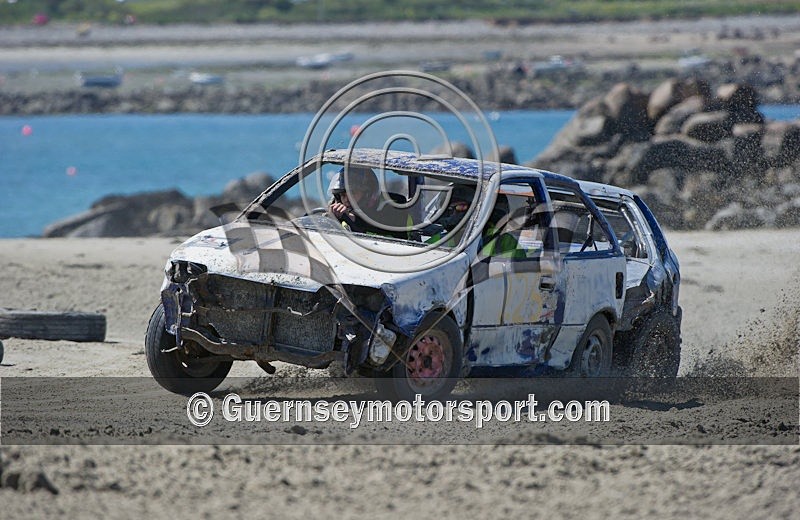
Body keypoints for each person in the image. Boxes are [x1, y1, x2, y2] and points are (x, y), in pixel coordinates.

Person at [327, 166, 408, 238]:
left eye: (352, 193)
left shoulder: (393, 207)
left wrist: (354, 220)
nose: (346, 199)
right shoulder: (336, 209)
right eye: (343, 195)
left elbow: (395, 238)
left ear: (367, 194)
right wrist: (331, 220)